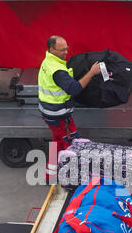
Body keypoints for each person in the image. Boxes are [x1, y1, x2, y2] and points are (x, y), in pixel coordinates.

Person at [38, 35, 101, 182]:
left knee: (56, 142)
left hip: (49, 113)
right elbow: (74, 88)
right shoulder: (57, 70)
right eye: (62, 50)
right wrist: (91, 72)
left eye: (67, 48)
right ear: (51, 49)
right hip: (59, 115)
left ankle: (50, 175)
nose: (66, 52)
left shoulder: (48, 61)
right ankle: (76, 179)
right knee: (72, 145)